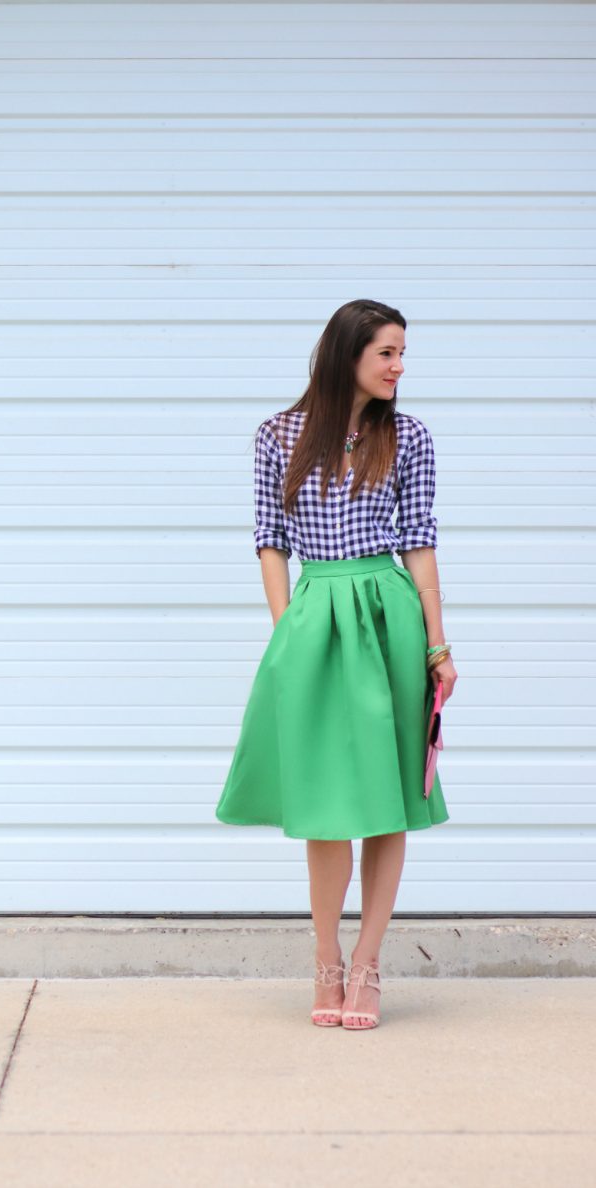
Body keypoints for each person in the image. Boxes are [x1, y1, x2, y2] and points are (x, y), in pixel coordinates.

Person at [215, 298, 458, 1030]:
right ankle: (326, 958)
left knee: (388, 802)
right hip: (316, 616)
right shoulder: (278, 435)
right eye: (387, 352)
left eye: (401, 352)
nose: (399, 366)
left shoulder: (409, 436)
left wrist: (439, 645)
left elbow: (419, 540)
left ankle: (368, 964)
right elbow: (269, 539)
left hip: (389, 614)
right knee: (326, 805)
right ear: (348, 352)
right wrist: (287, 630)